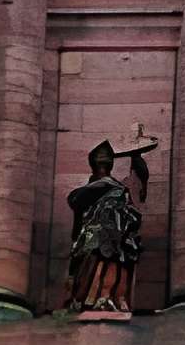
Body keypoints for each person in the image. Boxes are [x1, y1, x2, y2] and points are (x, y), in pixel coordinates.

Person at [64, 134, 156, 314]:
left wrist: (137, 161)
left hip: (116, 239)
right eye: (100, 163)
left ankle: (108, 297)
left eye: (105, 163)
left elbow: (135, 205)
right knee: (97, 254)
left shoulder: (119, 189)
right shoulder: (87, 191)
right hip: (93, 237)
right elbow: (77, 208)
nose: (102, 166)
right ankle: (90, 298)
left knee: (117, 255)